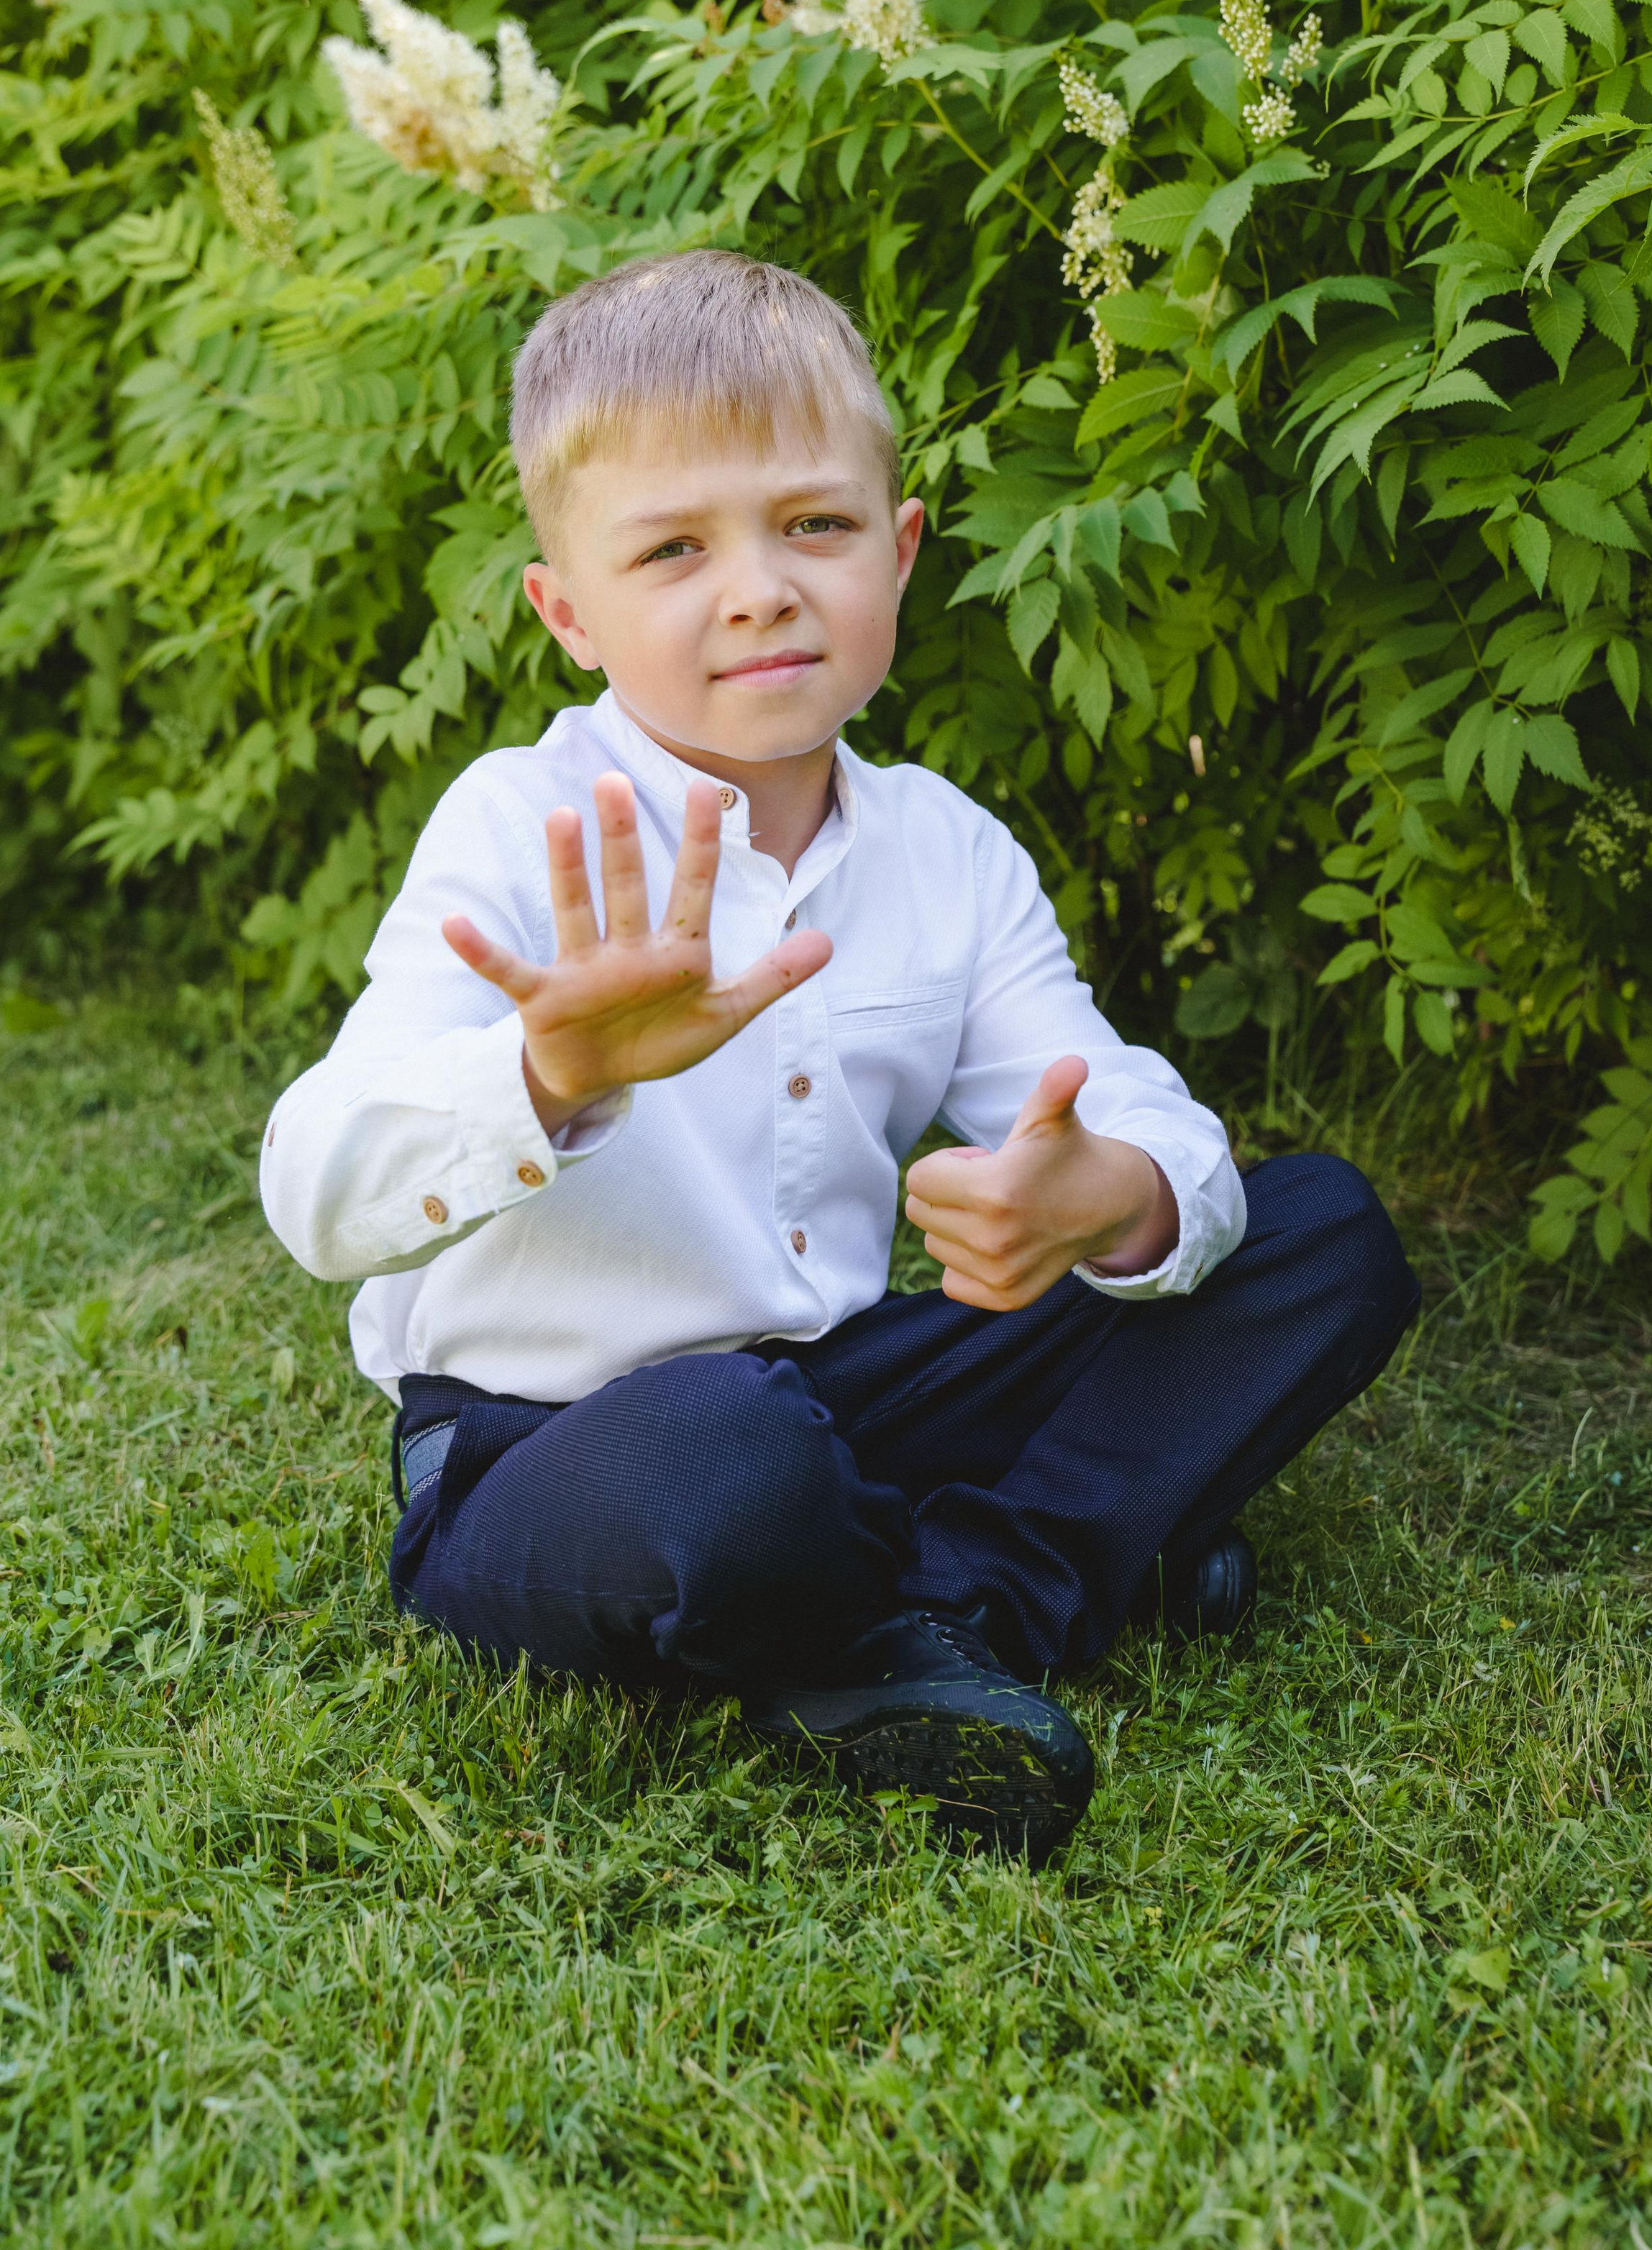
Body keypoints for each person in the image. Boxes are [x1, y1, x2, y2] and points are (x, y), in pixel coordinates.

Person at [260, 250, 1418, 1860]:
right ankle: (1064, 1560)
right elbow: (316, 1192)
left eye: (811, 524)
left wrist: (1109, 1192)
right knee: (726, 1458)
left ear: (898, 547)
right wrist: (550, 1075)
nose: (756, 588)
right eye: (671, 550)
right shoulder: (515, 827)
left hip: (839, 1392)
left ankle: (947, 1618)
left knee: (1317, 1234)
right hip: (556, 1449)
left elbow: (1104, 1097)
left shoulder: (946, 851)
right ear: (566, 613)